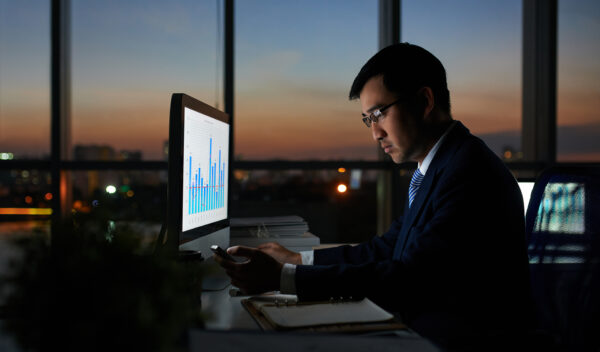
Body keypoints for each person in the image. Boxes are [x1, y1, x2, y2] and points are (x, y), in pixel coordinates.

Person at [215, 43, 532, 349]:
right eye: (368, 119)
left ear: (424, 101)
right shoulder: (441, 165)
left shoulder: (468, 173)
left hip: (449, 340)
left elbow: (409, 281)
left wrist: (286, 278)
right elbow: (389, 247)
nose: (375, 133)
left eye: (379, 114)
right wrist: (299, 261)